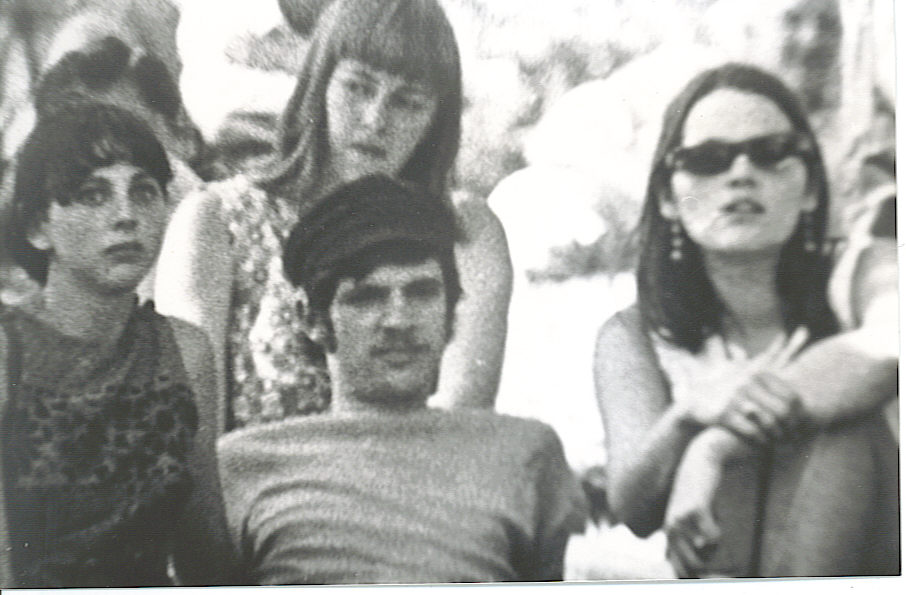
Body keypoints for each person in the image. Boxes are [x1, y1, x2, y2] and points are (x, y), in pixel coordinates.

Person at [594, 64, 898, 578]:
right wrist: (688, 417)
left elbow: (890, 343)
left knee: (848, 425)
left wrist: (714, 445)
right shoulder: (634, 336)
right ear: (668, 197)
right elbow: (634, 510)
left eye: (771, 152)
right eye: (707, 159)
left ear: (809, 187)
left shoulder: (870, 270)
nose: (740, 173)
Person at [156, 0, 512, 432]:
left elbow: (462, 417)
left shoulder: (463, 230)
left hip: (419, 470)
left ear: (437, 119)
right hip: (255, 474)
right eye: (358, 88)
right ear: (318, 85)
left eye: (407, 102)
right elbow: (189, 429)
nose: (375, 119)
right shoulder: (216, 221)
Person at [218, 175, 587, 584]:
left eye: (422, 292)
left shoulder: (523, 453)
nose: (399, 320)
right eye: (366, 297)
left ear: (452, 306)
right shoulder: (243, 465)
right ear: (310, 318)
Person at [0, 103, 235, 587]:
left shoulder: (183, 350)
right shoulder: (8, 352)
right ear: (38, 227)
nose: (126, 216)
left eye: (144, 192)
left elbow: (206, 552)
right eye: (94, 195)